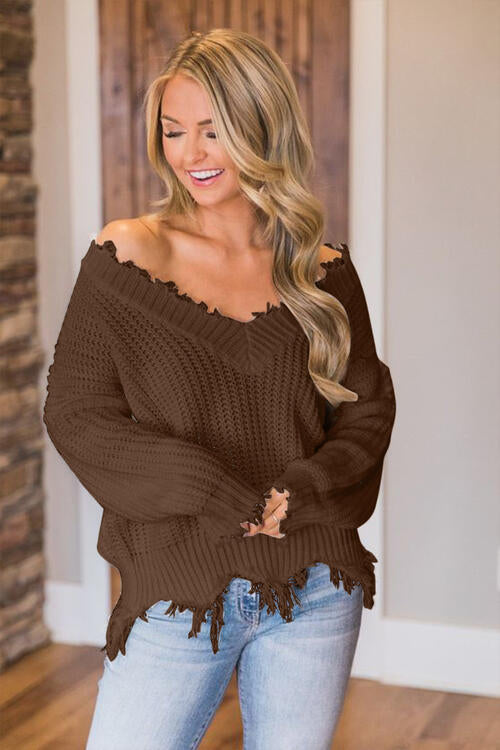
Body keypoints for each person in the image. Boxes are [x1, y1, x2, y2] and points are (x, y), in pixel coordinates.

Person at [43, 28, 396, 750]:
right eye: (174, 131)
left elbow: (367, 411)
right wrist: (211, 492)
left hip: (314, 583)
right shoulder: (130, 255)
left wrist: (302, 491)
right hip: (181, 587)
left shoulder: (323, 270)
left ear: (263, 125)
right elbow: (77, 413)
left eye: (214, 129)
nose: (191, 154)